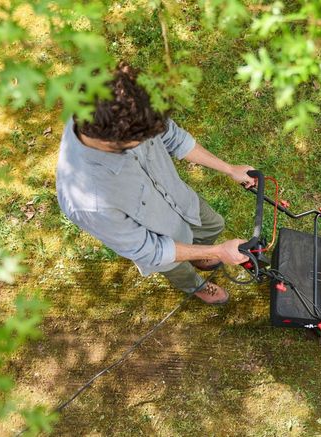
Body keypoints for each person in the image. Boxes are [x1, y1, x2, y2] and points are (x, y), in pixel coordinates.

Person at [55, 63, 254, 305]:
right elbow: (150, 250)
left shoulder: (123, 108)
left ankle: (199, 255)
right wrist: (218, 252)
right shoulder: (89, 203)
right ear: (116, 142)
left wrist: (229, 169)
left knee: (214, 225)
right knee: (179, 270)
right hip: (163, 247)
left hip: (183, 202)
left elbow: (174, 138)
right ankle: (197, 287)